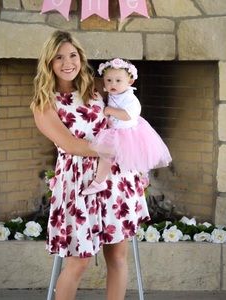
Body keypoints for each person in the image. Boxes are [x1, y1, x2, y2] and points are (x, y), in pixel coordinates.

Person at [30, 31, 150, 300]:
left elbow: (127, 108)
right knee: (78, 261)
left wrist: (135, 156)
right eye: (59, 57)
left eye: (73, 55)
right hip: (78, 184)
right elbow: (70, 144)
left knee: (117, 256)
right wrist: (108, 149)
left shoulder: (95, 87)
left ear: (81, 58)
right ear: (49, 62)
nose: (67, 62)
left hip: (116, 180)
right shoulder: (44, 103)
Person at [82, 58, 172, 195]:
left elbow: (128, 115)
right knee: (107, 156)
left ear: (129, 82)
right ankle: (101, 181)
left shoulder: (130, 99)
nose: (113, 84)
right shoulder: (114, 93)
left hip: (127, 133)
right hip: (115, 130)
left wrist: (109, 111)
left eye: (118, 81)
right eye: (109, 80)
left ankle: (103, 181)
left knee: (117, 155)